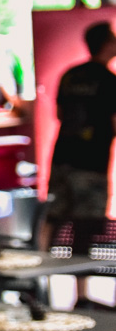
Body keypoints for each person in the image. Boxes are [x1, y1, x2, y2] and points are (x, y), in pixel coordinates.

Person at [39, 22, 116, 274]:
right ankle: (80, 289)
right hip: (91, 163)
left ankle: (39, 277)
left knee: (53, 218)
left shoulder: (70, 75)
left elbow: (60, 114)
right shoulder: (109, 81)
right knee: (86, 227)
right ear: (106, 44)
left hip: (62, 158)